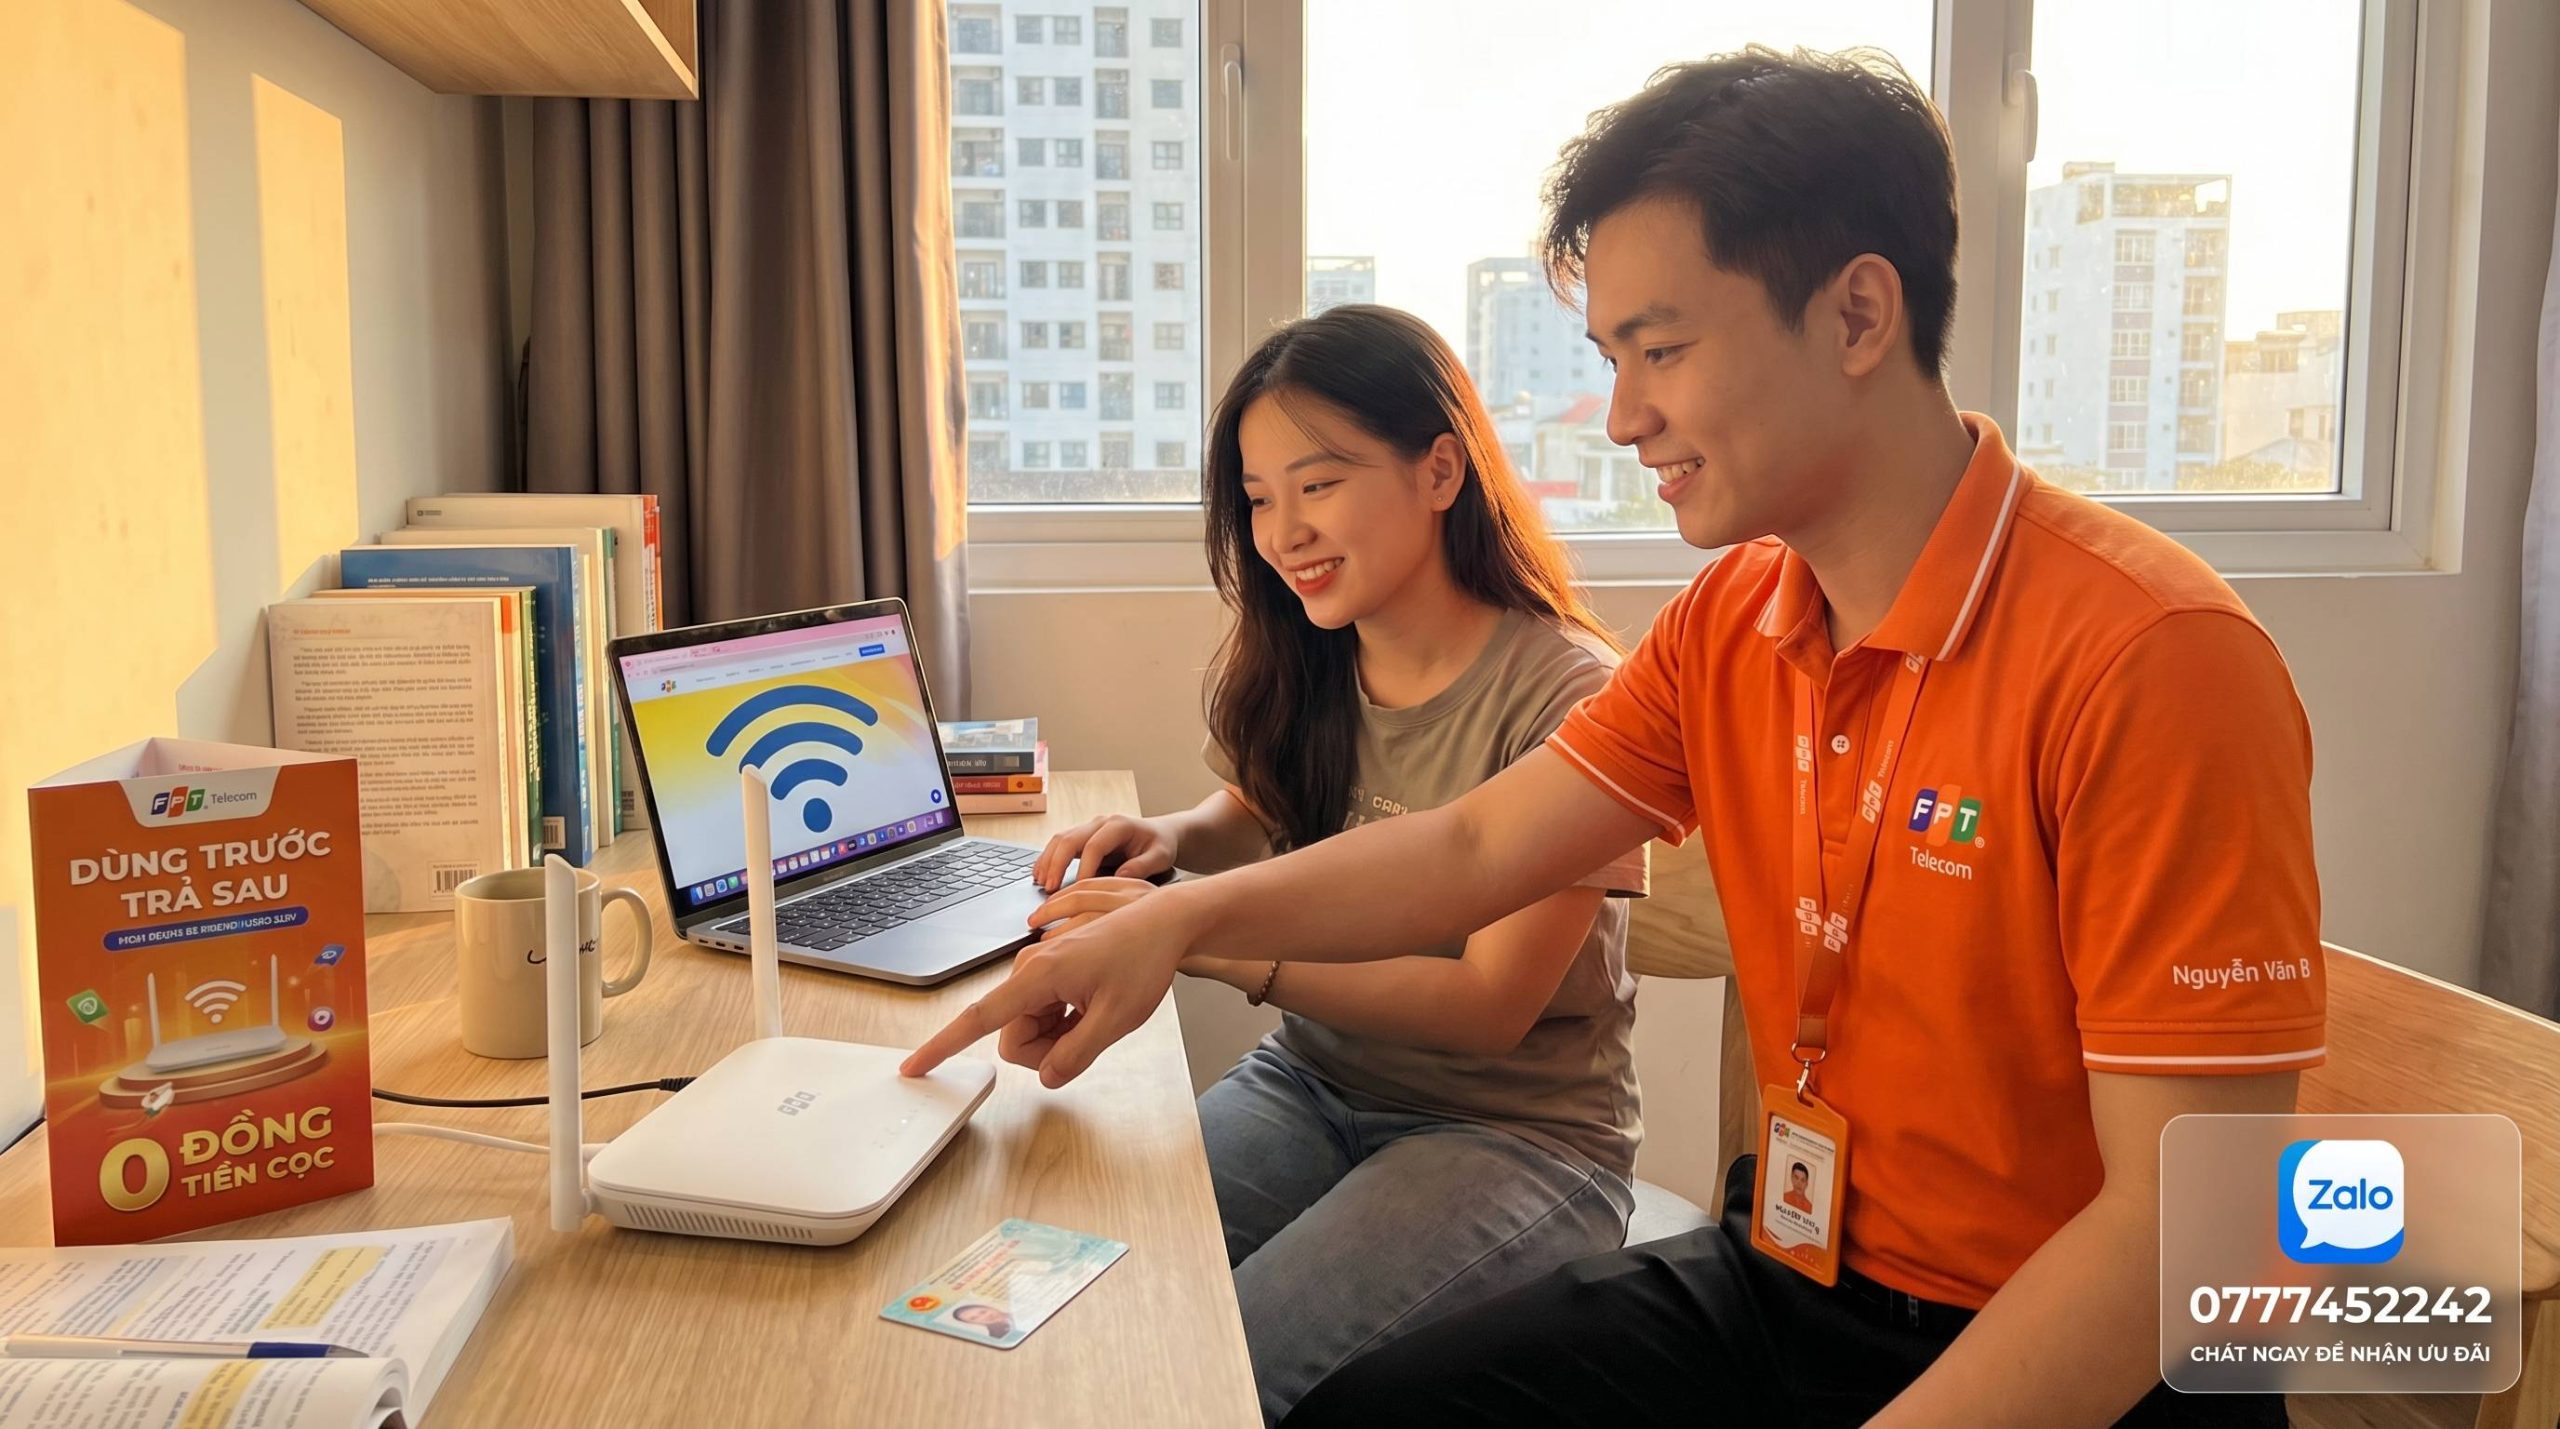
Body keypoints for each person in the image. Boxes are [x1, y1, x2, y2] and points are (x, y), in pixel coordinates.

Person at [908, 45, 2321, 1428]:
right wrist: (1172, 920)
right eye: (1609, 359)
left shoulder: (2153, 655)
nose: (1624, 415)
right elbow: (1472, 847)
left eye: (1661, 350)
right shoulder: (1733, 621)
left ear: (1855, 315)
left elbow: (2182, 1228)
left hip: (2071, 1347)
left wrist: (1201, 934)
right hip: (1798, 1272)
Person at [1011, 303, 1648, 1424]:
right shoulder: (1313, 654)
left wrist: (1206, 937)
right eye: (1258, 499)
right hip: (1312, 1081)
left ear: (1440, 469)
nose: (1282, 532)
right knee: (1061, 1287)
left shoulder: (1570, 693)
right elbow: (1266, 803)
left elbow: (1488, 1005)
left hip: (1515, 1137)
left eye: (1317, 484)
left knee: (1218, 1371)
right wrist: (1172, 841)